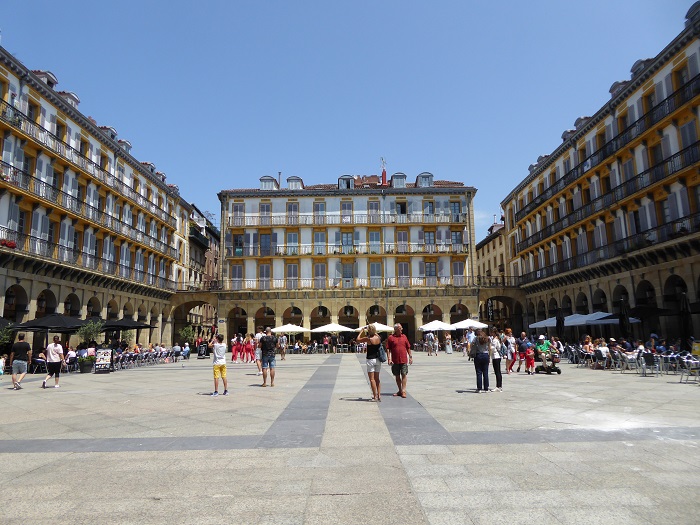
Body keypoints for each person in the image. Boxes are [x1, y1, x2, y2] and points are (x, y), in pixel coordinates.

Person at [356, 324, 383, 401]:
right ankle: (379, 395)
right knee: (377, 378)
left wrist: (361, 331)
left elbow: (358, 339)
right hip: (378, 359)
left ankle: (375, 396)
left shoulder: (368, 339)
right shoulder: (378, 338)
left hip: (370, 359)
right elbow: (376, 334)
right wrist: (374, 331)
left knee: (372, 379)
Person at [387, 323, 412, 398]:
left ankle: (403, 391)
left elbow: (408, 347)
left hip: (403, 359)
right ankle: (400, 390)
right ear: (396, 329)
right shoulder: (391, 338)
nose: (402, 329)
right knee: (397, 376)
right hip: (395, 360)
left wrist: (410, 357)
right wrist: (389, 358)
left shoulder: (404, 337)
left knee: (404, 374)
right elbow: (388, 348)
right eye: (400, 328)